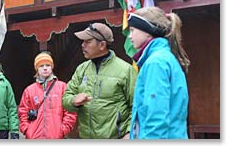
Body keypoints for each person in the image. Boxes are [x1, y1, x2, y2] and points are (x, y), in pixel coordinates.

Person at [62, 23, 137, 139]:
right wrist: (73, 101)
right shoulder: (81, 69)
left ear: (102, 45)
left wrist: (128, 133)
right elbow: (65, 99)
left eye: (87, 41)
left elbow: (137, 106)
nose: (82, 45)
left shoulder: (126, 70)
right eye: (83, 41)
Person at [127, 7, 190, 139]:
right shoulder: (166, 57)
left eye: (132, 30)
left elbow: (157, 117)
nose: (130, 36)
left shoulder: (155, 63)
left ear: (148, 31)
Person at [18, 52, 77, 139]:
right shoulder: (29, 90)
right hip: (34, 136)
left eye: (48, 65)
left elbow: (70, 111)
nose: (45, 68)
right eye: (41, 66)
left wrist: (63, 129)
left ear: (52, 67)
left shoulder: (62, 87)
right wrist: (27, 129)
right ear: (37, 68)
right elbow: (23, 112)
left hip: (55, 136)